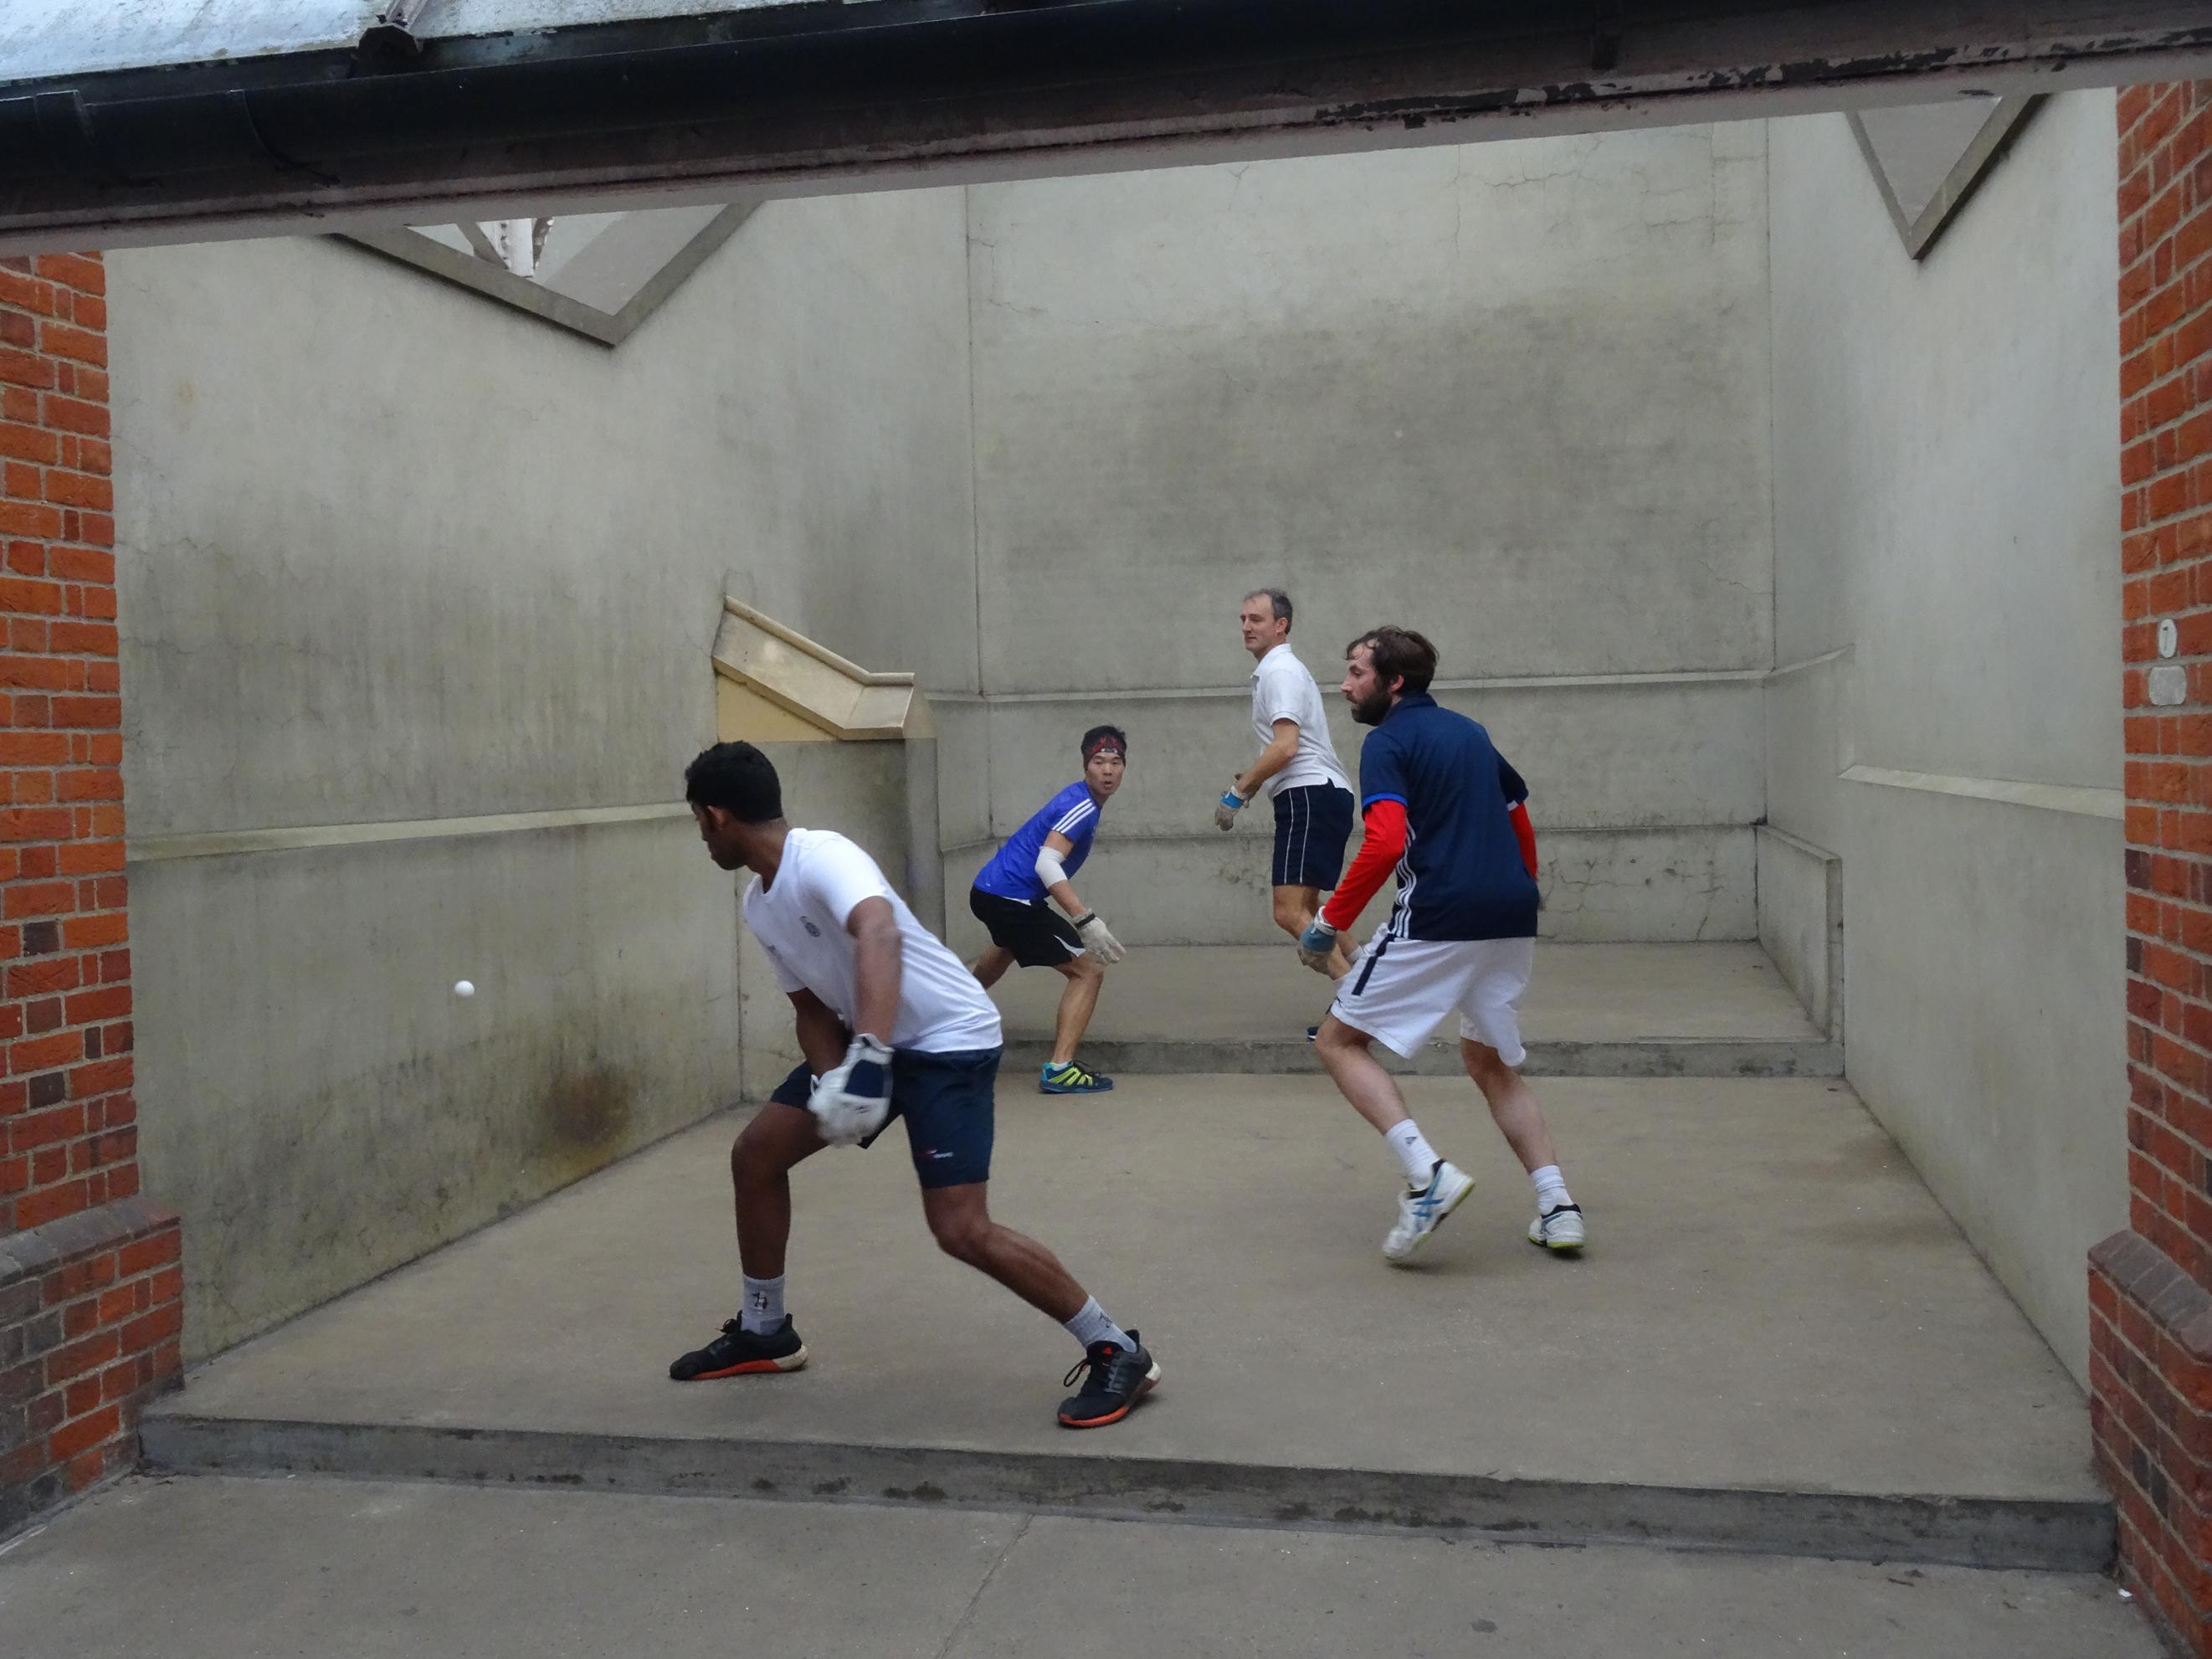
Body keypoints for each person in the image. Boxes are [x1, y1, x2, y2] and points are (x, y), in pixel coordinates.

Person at [668, 741, 1160, 1429]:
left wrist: (867, 1055)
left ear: (717, 816)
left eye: (697, 821)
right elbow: (810, 1008)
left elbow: (879, 934)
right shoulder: (759, 903)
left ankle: (1114, 1345)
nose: (700, 835)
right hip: (870, 1040)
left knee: (960, 1228)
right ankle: (764, 1330)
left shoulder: (824, 855)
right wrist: (833, 1078)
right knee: (755, 1155)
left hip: (948, 1040)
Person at [1296, 628, 1588, 1264]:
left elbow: (1384, 843)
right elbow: (1517, 813)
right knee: (1487, 1061)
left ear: (1393, 682)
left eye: (1354, 672)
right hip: (1509, 914)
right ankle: (1558, 1206)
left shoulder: (1388, 742)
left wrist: (1328, 921)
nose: (1344, 685)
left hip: (1439, 915)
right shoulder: (1470, 733)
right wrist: (1523, 883)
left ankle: (1426, 1176)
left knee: (1337, 1041)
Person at [968, 726, 1129, 1095]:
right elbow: (1048, 864)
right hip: (1012, 899)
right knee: (1088, 971)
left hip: (989, 891)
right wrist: (1084, 920)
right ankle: (1059, 1069)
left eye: (1116, 762)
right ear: (1085, 765)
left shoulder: (1080, 800)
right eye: (1099, 761)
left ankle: (943, 1012)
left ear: (1124, 768)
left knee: (1008, 946)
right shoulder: (1082, 806)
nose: (1107, 770)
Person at [1215, 589, 1357, 983]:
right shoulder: (1280, 670)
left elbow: (1286, 747)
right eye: (1243, 619)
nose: (1246, 627)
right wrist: (1253, 779)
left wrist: (1238, 793)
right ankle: (1368, 978)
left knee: (1289, 912)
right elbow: (1284, 748)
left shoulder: (1280, 671)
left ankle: (1356, 1009)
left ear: (1281, 626)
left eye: (1256, 620)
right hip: (1321, 793)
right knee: (1309, 906)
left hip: (1308, 794)